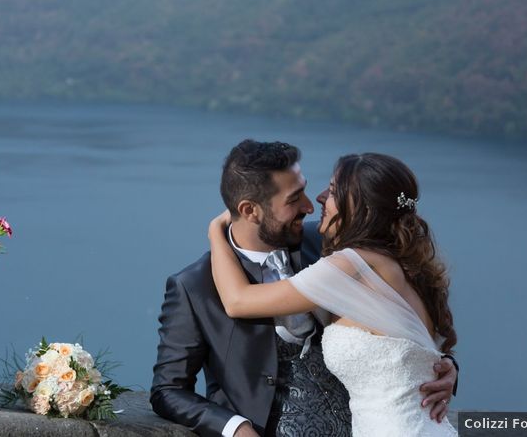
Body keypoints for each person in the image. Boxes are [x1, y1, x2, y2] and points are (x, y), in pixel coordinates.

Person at [151, 140, 457, 437]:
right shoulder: (193, 286)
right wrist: (233, 428)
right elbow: (168, 390)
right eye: (294, 198)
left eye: (315, 191)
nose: (312, 206)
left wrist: (444, 368)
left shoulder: (334, 247)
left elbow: (403, 317)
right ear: (250, 210)